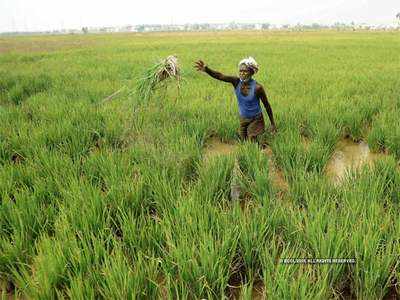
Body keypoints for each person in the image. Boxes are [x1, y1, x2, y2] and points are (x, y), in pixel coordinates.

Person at [194, 57, 276, 143]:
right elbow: (220, 76)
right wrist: (206, 69)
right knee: (243, 141)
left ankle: (261, 150)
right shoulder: (236, 82)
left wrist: (272, 123)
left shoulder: (258, 88)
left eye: (245, 71)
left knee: (251, 140)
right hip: (243, 119)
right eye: (240, 71)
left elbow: (267, 105)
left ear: (251, 72)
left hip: (256, 119)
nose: (242, 73)